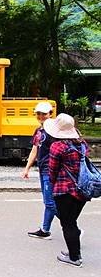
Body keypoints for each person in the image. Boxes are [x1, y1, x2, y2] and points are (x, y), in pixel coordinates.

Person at [46, 113, 90, 267]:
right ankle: (73, 251)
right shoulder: (81, 144)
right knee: (72, 221)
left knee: (67, 223)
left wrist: (51, 185)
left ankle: (74, 258)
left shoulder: (57, 146)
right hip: (83, 189)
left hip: (65, 190)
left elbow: (52, 170)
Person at [22, 101, 57, 239]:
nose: (41, 116)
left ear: (50, 114)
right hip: (42, 169)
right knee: (47, 202)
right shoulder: (38, 131)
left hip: (52, 170)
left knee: (50, 202)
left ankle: (72, 226)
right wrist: (27, 168)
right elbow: (34, 150)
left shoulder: (55, 131)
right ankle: (45, 230)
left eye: (44, 114)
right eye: (39, 114)